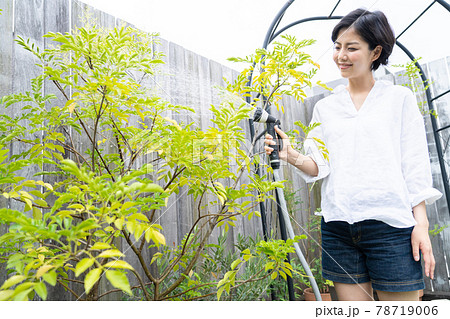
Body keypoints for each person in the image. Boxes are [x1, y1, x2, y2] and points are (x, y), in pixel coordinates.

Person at [264, 8, 442, 301]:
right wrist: (290, 154)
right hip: (338, 228)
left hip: (391, 228)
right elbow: (319, 165)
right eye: (337, 47)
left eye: (351, 47)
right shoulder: (326, 107)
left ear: (375, 52)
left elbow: (415, 167)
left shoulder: (399, 99)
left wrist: (420, 225)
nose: (340, 56)